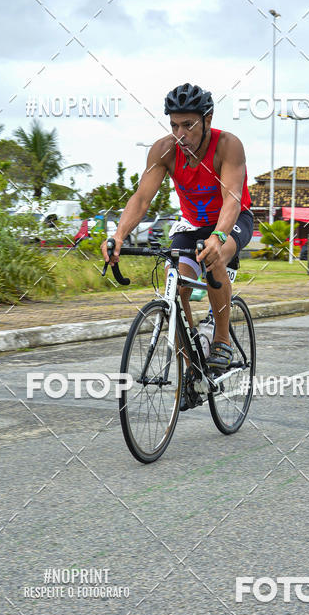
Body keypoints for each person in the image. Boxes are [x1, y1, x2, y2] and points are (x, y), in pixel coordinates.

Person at [101, 83, 253, 404]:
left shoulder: (228, 146)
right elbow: (142, 198)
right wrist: (118, 235)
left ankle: (222, 340)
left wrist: (219, 236)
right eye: (173, 125)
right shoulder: (164, 150)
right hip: (192, 224)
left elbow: (232, 198)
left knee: (215, 257)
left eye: (188, 125)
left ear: (207, 120)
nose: (180, 133)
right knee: (177, 285)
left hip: (232, 218)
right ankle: (192, 371)